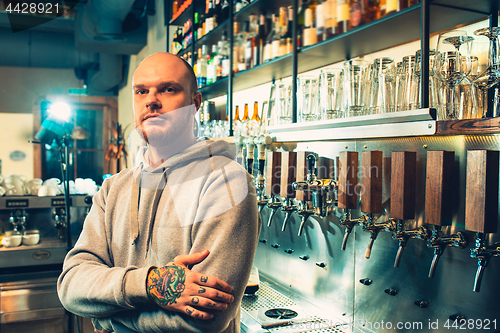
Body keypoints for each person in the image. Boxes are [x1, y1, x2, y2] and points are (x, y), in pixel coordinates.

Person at [57, 52, 261, 332]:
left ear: (194, 104)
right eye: (141, 91)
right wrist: (153, 285)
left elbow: (203, 321)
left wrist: (106, 319)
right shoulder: (113, 188)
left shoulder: (226, 182)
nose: (151, 100)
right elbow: (71, 286)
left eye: (168, 89)